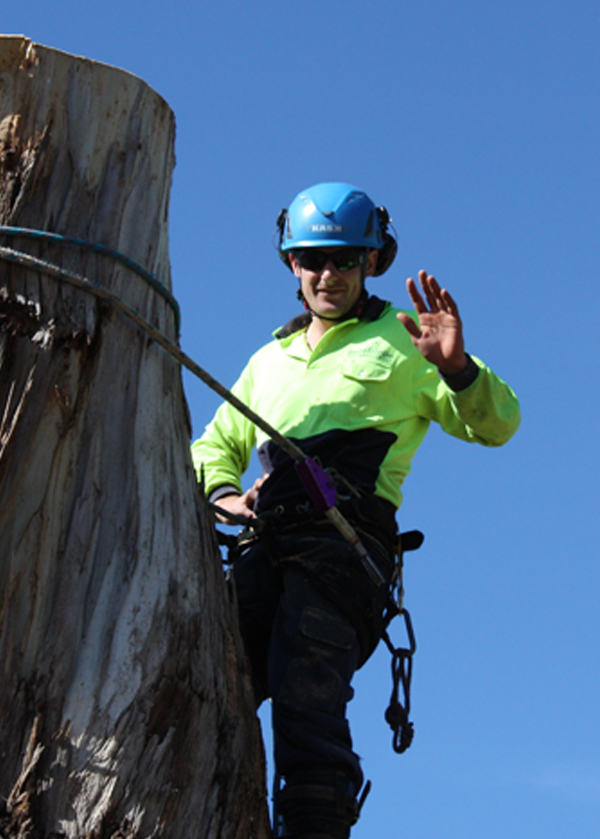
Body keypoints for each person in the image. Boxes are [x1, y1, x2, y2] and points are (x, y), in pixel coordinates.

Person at [191, 182, 520, 839]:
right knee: (202, 684)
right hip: (264, 549)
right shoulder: (268, 360)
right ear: (291, 264)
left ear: (374, 260)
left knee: (304, 697)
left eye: (345, 258)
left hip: (342, 552)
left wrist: (457, 369)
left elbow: (498, 423)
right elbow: (213, 447)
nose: (327, 274)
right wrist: (227, 498)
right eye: (312, 259)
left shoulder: (406, 339)